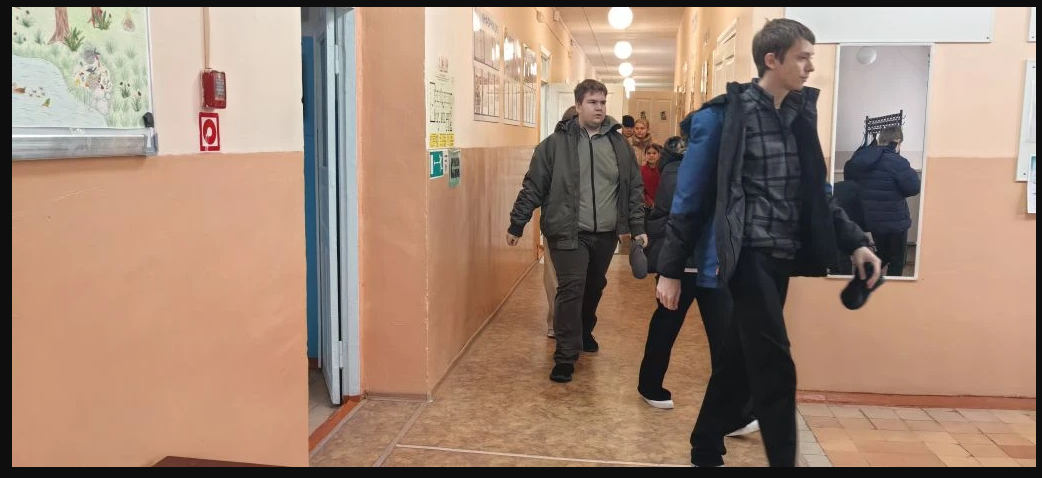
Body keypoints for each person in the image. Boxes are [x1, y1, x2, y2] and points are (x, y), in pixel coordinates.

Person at [655, 19, 881, 467]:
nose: (810, 67)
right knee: (775, 364)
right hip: (747, 256)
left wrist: (856, 241)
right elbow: (690, 198)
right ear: (772, 59)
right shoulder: (724, 118)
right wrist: (671, 268)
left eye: (811, 58)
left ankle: (705, 443)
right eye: (802, 57)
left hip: (782, 255)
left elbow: (816, 193)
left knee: (740, 358)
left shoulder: (798, 116)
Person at [507, 79, 647, 384]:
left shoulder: (618, 145)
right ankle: (565, 356)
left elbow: (633, 187)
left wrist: (637, 227)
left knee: (594, 286)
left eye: (603, 102)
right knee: (571, 289)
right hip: (568, 230)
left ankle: (584, 329)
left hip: (606, 233)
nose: (599, 108)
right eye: (592, 102)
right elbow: (533, 186)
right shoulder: (554, 145)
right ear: (578, 105)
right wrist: (518, 223)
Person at [637, 135, 759, 441]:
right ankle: (649, 384)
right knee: (666, 324)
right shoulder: (677, 170)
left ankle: (733, 412)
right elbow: (683, 216)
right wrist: (671, 271)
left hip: (713, 266)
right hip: (681, 266)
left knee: (724, 335)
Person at [844, 125, 921, 276]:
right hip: (896, 222)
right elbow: (913, 188)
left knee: (883, 253)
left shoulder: (862, 159)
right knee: (897, 259)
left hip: (873, 219)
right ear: (897, 141)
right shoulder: (897, 162)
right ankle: (893, 287)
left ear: (880, 140)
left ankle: (864, 276)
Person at [542, 105, 579, 339]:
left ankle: (563, 322)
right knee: (555, 276)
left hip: (580, 223)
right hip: (557, 222)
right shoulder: (551, 147)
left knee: (561, 276)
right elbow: (536, 185)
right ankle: (557, 322)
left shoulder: (596, 148)